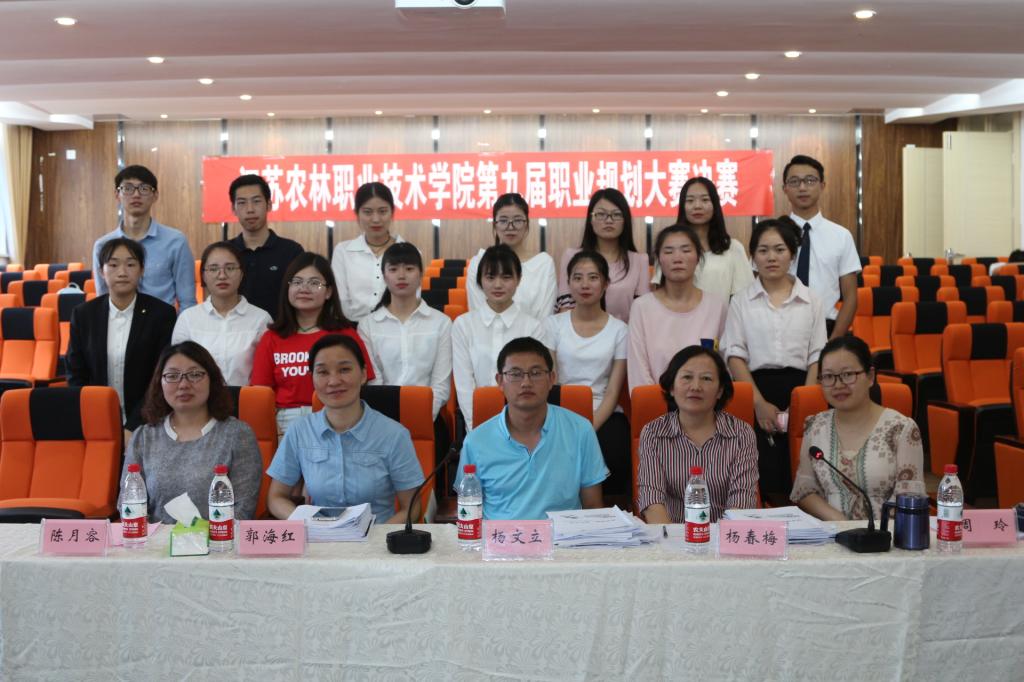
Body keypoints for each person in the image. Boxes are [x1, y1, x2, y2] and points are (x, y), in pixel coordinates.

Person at [721, 217, 828, 502]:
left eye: (779, 249)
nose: (771, 257)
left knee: (805, 469)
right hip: (755, 389)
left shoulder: (812, 300)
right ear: (753, 257)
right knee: (763, 472)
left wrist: (804, 403)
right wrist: (758, 404)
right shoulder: (740, 301)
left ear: (792, 254)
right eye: (763, 250)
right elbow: (734, 355)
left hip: (803, 388)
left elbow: (817, 356)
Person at [265, 334, 425, 523]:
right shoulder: (299, 431)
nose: (333, 381)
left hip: (376, 536)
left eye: (344, 369)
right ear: (312, 378)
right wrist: (307, 524)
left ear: (363, 374)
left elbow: (412, 508)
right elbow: (276, 498)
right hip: (318, 536)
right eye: (323, 372)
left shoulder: (394, 435)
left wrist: (375, 537)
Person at [455, 337, 608, 520]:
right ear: (500, 381)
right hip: (500, 537)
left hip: (562, 537)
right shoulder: (476, 441)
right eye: (515, 374)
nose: (526, 383)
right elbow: (468, 512)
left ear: (551, 379)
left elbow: (593, 506)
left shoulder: (580, 431)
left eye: (535, 373)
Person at [121, 341, 263, 524]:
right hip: (155, 540)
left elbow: (243, 509)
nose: (183, 384)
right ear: (159, 383)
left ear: (212, 380)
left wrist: (202, 536)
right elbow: (127, 505)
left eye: (195, 375)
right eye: (172, 376)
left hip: (220, 538)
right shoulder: (143, 437)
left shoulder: (238, 434)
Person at [791, 336, 926, 521]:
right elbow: (804, 490)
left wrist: (872, 532)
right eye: (828, 377)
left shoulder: (902, 429)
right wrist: (842, 524)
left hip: (888, 534)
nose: (838, 385)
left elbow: (911, 498)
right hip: (831, 531)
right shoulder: (815, 427)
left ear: (870, 376)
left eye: (848, 374)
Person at [250, 252, 374, 435]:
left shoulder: (345, 334)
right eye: (297, 282)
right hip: (285, 423)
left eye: (314, 283)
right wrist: (275, 432)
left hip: (338, 417)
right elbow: (261, 393)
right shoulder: (272, 337)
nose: (304, 289)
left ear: (328, 292)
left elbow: (364, 382)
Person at [637, 346, 759, 524]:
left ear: (720, 391)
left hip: (723, 534)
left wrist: (719, 539)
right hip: (672, 533)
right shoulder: (653, 433)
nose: (695, 387)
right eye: (687, 377)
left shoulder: (741, 434)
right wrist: (671, 540)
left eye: (706, 378)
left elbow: (742, 501)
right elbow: (652, 500)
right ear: (671, 387)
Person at [67, 237, 177, 431]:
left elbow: (161, 376)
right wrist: (94, 417)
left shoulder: (161, 314)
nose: (122, 272)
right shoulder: (84, 315)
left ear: (142, 270)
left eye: (131, 264)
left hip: (149, 421)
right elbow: (76, 374)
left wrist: (133, 426)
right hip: (96, 419)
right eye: (113, 265)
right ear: (101, 271)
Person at [546, 251, 629, 496]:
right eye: (577, 277)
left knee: (614, 448)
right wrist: (570, 425)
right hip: (560, 411)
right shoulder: (553, 324)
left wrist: (587, 428)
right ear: (568, 283)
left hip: (603, 413)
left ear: (605, 284)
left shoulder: (620, 330)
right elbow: (550, 382)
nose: (585, 284)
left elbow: (613, 391)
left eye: (593, 277)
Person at [452, 245, 549, 430]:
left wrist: (517, 429)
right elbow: (464, 387)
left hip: (523, 426)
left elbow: (533, 384)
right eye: (490, 277)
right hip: (477, 425)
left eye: (506, 277)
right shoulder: (463, 325)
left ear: (519, 279)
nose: (498, 285)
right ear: (480, 281)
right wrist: (478, 429)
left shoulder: (533, 328)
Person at [358, 242, 452, 424]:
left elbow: (440, 386)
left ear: (421, 274)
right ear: (384, 276)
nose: (401, 276)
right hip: (381, 420)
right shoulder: (368, 325)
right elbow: (374, 383)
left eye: (409, 269)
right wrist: (389, 425)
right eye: (393, 269)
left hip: (428, 418)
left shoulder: (441, 323)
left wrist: (420, 419)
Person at [627, 224, 728, 392]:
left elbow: (723, 367)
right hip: (654, 403)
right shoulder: (642, 307)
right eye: (668, 252)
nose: (677, 258)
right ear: (658, 259)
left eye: (686, 250)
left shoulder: (717, 306)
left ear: (698, 257)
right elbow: (638, 372)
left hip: (704, 402)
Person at [92, 165, 196, 310]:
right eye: (128, 188)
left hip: (163, 323)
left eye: (144, 188)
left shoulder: (175, 242)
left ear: (155, 195)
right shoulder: (103, 245)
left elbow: (187, 301)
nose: (136, 195)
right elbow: (102, 299)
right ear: (117, 194)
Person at [171, 241, 271, 387]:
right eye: (213, 269)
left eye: (230, 268)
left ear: (241, 273)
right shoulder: (188, 319)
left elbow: (267, 372)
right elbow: (178, 367)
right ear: (203, 275)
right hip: (200, 399)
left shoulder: (261, 319)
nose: (222, 275)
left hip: (245, 398)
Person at [783, 154, 861, 338]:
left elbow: (851, 297)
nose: (802, 187)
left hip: (826, 328)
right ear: (785, 188)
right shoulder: (773, 235)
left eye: (810, 180)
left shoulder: (841, 236)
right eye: (794, 181)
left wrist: (833, 342)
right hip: (780, 327)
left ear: (822, 186)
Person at [556, 188, 650, 322]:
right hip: (578, 333)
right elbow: (564, 311)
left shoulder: (639, 260)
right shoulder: (571, 256)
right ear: (591, 219)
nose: (609, 220)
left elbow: (643, 314)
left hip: (625, 333)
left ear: (625, 220)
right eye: (601, 214)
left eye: (616, 214)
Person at [331, 182, 413, 323]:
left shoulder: (410, 252)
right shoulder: (343, 251)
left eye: (382, 211)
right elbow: (340, 299)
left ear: (392, 212)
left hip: (395, 326)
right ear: (357, 213)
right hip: (352, 327)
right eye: (367, 212)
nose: (376, 219)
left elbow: (412, 298)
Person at [466, 193, 556, 320]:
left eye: (517, 220)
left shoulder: (543, 264)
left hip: (533, 332)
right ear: (495, 225)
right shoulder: (478, 263)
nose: (510, 227)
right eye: (503, 221)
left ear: (527, 224)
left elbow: (545, 317)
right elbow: (478, 313)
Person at [227, 174, 305, 317]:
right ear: (233, 208)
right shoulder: (225, 253)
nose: (250, 209)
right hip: (233, 329)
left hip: (279, 329)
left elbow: (301, 299)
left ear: (269, 205)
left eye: (256, 201)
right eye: (242, 203)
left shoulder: (291, 252)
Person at [669, 177, 753, 300]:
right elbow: (661, 293)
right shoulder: (670, 248)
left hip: (722, 313)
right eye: (690, 200)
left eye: (705, 200)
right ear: (682, 206)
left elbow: (743, 296)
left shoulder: (733, 248)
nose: (697, 206)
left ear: (715, 205)